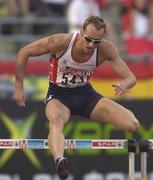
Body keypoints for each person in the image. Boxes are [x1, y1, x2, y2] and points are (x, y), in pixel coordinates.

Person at [12, 16, 140, 179]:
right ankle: (60, 160)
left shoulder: (106, 49)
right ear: (80, 32)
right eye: (88, 39)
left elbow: (131, 77)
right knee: (56, 120)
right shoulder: (62, 42)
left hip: (86, 95)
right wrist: (18, 87)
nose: (91, 45)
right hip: (59, 95)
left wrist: (125, 84)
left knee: (132, 124)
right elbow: (24, 52)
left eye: (97, 41)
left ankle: (56, 146)